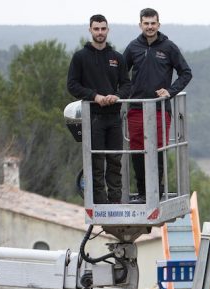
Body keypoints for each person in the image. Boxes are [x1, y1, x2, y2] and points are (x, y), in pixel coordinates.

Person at [123, 7, 192, 201]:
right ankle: (143, 192)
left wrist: (170, 91)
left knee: (157, 149)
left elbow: (186, 73)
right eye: (146, 23)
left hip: (161, 108)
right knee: (137, 149)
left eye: (153, 23)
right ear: (140, 25)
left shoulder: (169, 47)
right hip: (136, 107)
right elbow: (120, 74)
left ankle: (157, 191)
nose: (150, 27)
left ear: (158, 24)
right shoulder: (133, 47)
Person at [67, 14, 130, 204]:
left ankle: (116, 202)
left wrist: (117, 96)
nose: (100, 32)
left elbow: (127, 85)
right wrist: (95, 96)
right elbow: (72, 85)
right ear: (90, 30)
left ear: (108, 30)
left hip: (114, 118)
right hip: (92, 118)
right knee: (96, 163)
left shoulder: (117, 58)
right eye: (96, 29)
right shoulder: (80, 57)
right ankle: (101, 204)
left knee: (115, 161)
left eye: (103, 29)